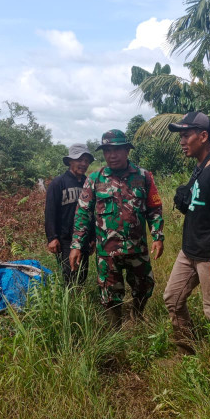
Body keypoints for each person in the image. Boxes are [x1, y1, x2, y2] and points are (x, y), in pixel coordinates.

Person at [70, 130, 164, 326]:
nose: (111, 155)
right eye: (107, 151)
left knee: (145, 286)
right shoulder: (95, 179)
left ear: (127, 150)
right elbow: (83, 213)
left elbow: (154, 208)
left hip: (137, 248)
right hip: (107, 250)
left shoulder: (143, 177)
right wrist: (77, 245)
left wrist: (157, 236)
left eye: (117, 150)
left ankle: (136, 315)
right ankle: (116, 329)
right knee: (109, 293)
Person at [163, 111, 210, 353]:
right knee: (172, 300)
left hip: (209, 254)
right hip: (189, 252)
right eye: (180, 137)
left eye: (186, 136)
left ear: (203, 136)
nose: (182, 142)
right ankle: (189, 349)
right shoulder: (200, 166)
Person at [44, 144, 95, 286]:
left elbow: (92, 212)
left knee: (82, 274)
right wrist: (52, 237)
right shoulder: (58, 183)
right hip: (65, 238)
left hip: (84, 237)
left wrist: (92, 237)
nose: (83, 164)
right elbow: (50, 212)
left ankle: (78, 301)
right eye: (80, 160)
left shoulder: (88, 183)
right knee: (70, 275)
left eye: (86, 161)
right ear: (70, 161)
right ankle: (70, 304)